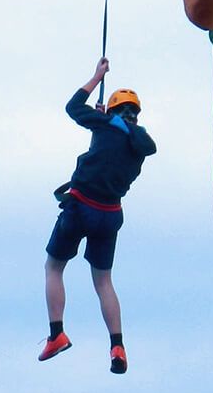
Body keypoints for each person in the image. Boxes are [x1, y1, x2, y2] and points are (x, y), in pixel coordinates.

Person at [40, 57, 157, 373]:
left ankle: (56, 334)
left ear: (114, 110)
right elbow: (116, 144)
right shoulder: (139, 145)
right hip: (109, 214)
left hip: (80, 207)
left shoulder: (105, 124)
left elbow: (73, 106)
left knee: (54, 267)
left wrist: (97, 76)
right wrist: (105, 119)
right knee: (103, 281)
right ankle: (117, 345)